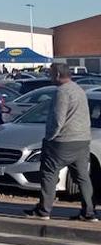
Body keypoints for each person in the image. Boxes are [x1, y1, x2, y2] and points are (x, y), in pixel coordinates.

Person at [25, 63, 95, 221]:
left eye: (50, 73)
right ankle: (89, 212)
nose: (49, 76)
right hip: (82, 140)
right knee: (83, 176)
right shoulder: (79, 90)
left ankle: (44, 211)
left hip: (62, 141)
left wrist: (49, 137)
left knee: (49, 174)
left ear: (57, 75)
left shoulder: (62, 92)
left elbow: (58, 119)